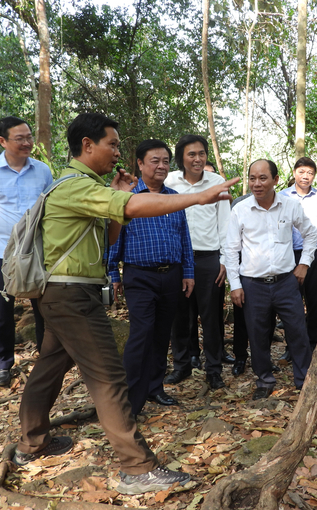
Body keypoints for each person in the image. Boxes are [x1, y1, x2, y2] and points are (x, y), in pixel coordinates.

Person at [14, 113, 238, 494]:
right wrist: (199, 197)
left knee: (50, 366)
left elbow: (112, 232)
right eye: (112, 145)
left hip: (65, 293)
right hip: (70, 294)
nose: (117, 152)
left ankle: (31, 442)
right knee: (109, 377)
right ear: (88, 145)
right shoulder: (74, 186)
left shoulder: (85, 185)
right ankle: (137, 468)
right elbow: (133, 210)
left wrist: (125, 195)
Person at [108, 139, 194, 413]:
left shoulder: (173, 198)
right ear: (141, 164)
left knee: (161, 335)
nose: (161, 165)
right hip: (139, 276)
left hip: (171, 275)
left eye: (166, 161)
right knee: (141, 334)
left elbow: (184, 238)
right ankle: (131, 401)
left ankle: (155, 388)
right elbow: (115, 237)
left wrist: (188, 272)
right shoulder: (129, 197)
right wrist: (113, 272)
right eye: (154, 160)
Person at [0, 116, 52, 387]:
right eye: (20, 138)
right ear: (3, 141)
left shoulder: (42, 171)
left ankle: (47, 358)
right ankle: (2, 364)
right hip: (2, 250)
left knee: (43, 304)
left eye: (29, 137)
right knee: (1, 308)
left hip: (37, 249)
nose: (27, 143)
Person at [225, 159, 317, 399]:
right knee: (257, 335)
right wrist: (235, 285)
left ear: (275, 180)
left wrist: (304, 264)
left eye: (263, 178)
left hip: (286, 282)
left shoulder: (290, 206)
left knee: (297, 331)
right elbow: (230, 250)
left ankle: (304, 380)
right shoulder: (240, 210)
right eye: (252, 178)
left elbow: (310, 234)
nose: (257, 183)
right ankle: (264, 380)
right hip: (252, 285)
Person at [165, 135, 231, 390]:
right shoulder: (169, 181)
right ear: (181, 157)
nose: (197, 158)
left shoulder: (216, 183)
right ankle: (181, 366)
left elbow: (225, 223)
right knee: (179, 316)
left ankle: (214, 370)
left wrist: (224, 260)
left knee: (211, 317)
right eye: (191, 154)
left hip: (207, 258)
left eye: (202, 153)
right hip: (177, 258)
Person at [278, 157, 317, 354]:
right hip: (289, 255)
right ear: (294, 173)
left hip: (316, 255)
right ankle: (291, 346)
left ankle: (312, 344)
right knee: (291, 303)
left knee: (315, 302)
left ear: (314, 176)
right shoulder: (282, 196)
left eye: (310, 173)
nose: (305, 176)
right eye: (302, 172)